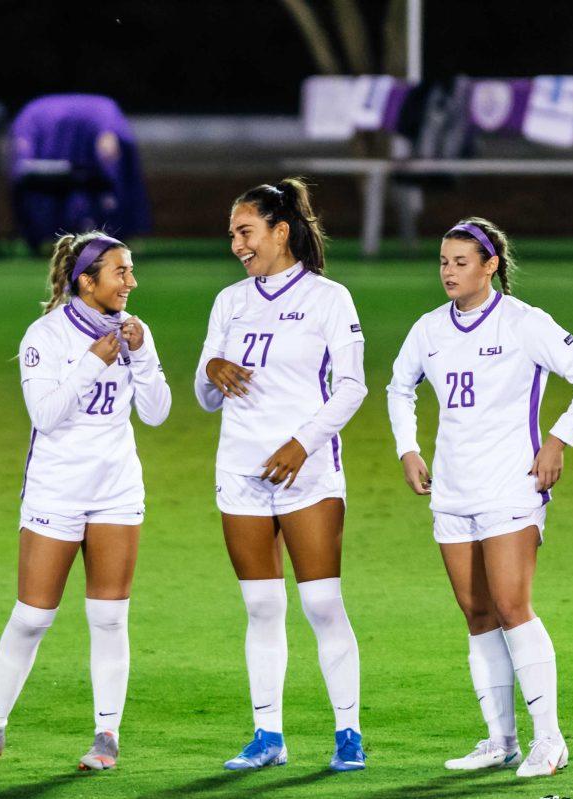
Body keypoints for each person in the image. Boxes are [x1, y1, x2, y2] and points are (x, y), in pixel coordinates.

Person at [386, 217, 573, 779]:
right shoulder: (429, 329)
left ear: (490, 266)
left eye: (461, 262)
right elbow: (397, 385)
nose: (448, 272)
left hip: (512, 485)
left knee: (513, 608)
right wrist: (408, 449)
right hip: (452, 492)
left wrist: (559, 439)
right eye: (443, 261)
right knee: (477, 614)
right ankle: (500, 739)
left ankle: (550, 740)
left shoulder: (523, 322)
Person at [0, 231, 170, 772]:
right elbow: (45, 415)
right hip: (57, 489)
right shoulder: (45, 335)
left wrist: (142, 355)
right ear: (87, 280)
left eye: (130, 271)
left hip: (118, 490)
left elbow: (157, 412)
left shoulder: (133, 331)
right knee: (32, 616)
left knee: (109, 617)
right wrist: (92, 363)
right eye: (121, 272)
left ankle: (107, 736)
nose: (132, 282)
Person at [195, 178, 368, 772]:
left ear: (280, 231)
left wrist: (303, 443)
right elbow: (204, 395)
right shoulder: (229, 302)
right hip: (239, 469)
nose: (237, 246)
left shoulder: (328, 298)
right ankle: (268, 735)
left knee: (321, 602)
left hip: (308, 472)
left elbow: (352, 386)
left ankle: (348, 732)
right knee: (262, 607)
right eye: (232, 236)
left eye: (246, 232)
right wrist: (212, 367)